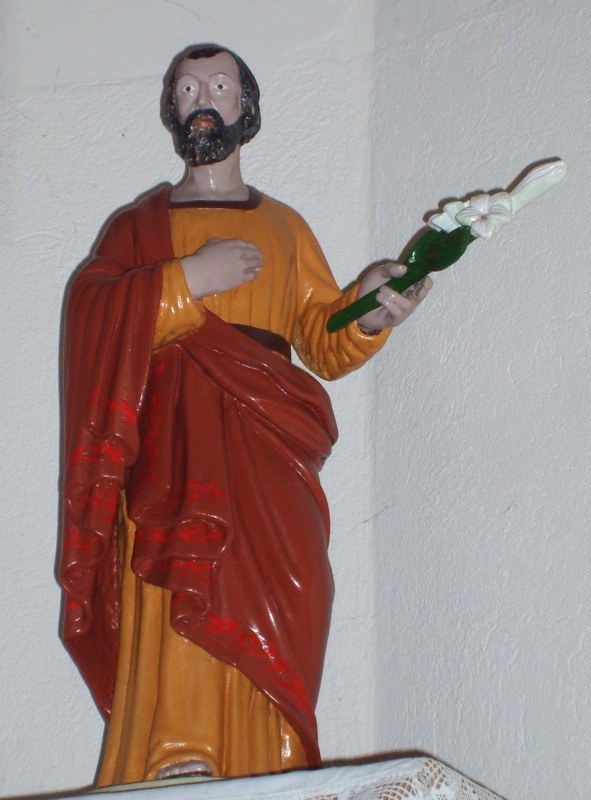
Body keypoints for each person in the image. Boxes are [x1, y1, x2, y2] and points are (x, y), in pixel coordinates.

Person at [58, 44, 431, 787]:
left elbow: (322, 338)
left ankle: (271, 762)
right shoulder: (136, 229)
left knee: (290, 591)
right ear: (171, 110)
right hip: (171, 450)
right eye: (188, 88)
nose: (204, 99)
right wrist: (184, 281)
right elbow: (92, 312)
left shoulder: (284, 227)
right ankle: (173, 753)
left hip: (269, 453)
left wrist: (370, 309)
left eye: (220, 86)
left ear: (245, 109)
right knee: (177, 577)